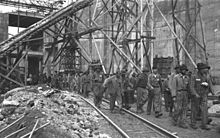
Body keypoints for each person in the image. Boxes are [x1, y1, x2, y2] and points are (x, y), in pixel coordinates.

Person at [190, 63, 215, 130]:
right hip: (196, 96)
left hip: (204, 95)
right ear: (200, 70)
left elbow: (210, 84)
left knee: (204, 110)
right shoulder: (194, 76)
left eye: (206, 70)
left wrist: (213, 93)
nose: (206, 71)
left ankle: (204, 125)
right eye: (204, 69)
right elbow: (191, 87)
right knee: (195, 110)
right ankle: (193, 124)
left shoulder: (207, 75)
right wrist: (195, 94)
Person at [172, 64, 189, 128]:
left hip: (185, 93)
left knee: (184, 109)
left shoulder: (187, 77)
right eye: (183, 70)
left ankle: (182, 122)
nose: (184, 71)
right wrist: (173, 96)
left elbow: (188, 87)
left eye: (185, 70)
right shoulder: (176, 77)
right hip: (179, 93)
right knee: (178, 108)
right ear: (181, 70)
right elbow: (173, 87)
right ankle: (175, 119)